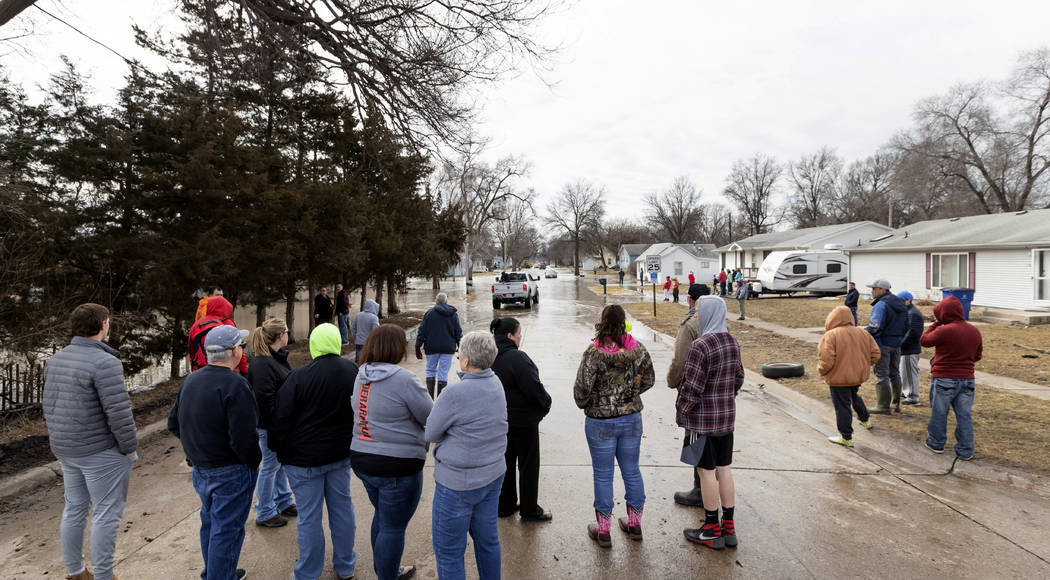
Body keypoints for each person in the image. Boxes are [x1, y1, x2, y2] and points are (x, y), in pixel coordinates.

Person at [43, 303, 138, 580]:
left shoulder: (56, 359)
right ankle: (104, 577)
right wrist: (130, 448)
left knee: (74, 508)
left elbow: (49, 405)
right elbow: (118, 413)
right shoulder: (106, 362)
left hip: (66, 448)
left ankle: (76, 572)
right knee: (106, 514)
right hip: (99, 451)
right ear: (104, 325)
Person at [168, 324, 259, 580]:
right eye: (240, 346)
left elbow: (174, 423)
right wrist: (253, 463)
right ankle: (220, 575)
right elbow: (244, 437)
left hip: (202, 469)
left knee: (211, 524)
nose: (242, 350)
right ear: (232, 352)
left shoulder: (192, 380)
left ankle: (218, 572)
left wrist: (196, 449)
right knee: (226, 531)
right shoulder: (236, 385)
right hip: (230, 471)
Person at [270, 323, 359, 580]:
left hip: (303, 460)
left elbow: (281, 419)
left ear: (314, 344)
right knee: (343, 509)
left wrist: (279, 448)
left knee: (309, 517)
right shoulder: (352, 370)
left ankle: (308, 573)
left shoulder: (299, 377)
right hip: (341, 455)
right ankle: (345, 566)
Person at [352, 324, 433, 580]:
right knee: (394, 526)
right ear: (397, 347)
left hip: (363, 458)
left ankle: (385, 569)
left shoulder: (361, 374)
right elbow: (431, 416)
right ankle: (387, 575)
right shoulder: (404, 379)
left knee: (385, 518)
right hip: (397, 465)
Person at [425, 332, 508, 580]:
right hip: (492, 476)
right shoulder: (496, 382)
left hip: (457, 484)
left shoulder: (455, 393)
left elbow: (431, 431)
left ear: (466, 360)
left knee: (449, 552)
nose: (458, 356)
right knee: (488, 541)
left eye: (460, 353)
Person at [573, 304, 656, 547]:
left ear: (603, 322)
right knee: (632, 470)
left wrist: (592, 402)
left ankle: (604, 529)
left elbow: (582, 389)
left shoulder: (593, 353)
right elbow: (649, 379)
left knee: (603, 474)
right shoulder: (637, 349)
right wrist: (629, 394)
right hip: (631, 418)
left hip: (600, 422)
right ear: (624, 322)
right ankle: (634, 523)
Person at [679, 297, 744, 550]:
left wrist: (682, 412)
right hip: (727, 419)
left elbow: (691, 389)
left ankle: (710, 529)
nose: (696, 316)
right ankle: (729, 527)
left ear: (707, 314)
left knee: (706, 472)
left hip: (703, 421)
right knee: (724, 469)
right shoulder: (732, 342)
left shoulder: (700, 346)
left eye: (698, 312)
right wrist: (726, 395)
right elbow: (739, 377)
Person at [490, 317, 553, 522]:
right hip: (523, 423)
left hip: (498, 422)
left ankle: (505, 505)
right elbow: (534, 387)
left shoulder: (487, 357)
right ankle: (529, 509)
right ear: (509, 336)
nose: (520, 337)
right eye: (518, 334)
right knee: (528, 466)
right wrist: (546, 403)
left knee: (505, 463)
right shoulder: (517, 358)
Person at [246, 318, 297, 528]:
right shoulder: (262, 364)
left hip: (280, 424)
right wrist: (278, 424)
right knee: (269, 466)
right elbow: (264, 400)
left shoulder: (276, 358)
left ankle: (283, 500)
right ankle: (265, 510)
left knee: (279, 463)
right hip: (270, 426)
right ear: (279, 336)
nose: (288, 333)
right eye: (286, 330)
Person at [922, 296, 983, 460]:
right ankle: (965, 450)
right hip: (967, 379)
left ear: (945, 313)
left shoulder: (944, 330)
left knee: (940, 412)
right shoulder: (974, 330)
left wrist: (936, 324)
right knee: (964, 415)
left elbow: (924, 340)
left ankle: (936, 443)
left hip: (944, 378)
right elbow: (977, 355)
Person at [667, 284, 710, 507]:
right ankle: (711, 489)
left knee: (696, 444)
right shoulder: (718, 323)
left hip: (695, 393)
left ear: (691, 300)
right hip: (718, 396)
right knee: (713, 447)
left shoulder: (690, 325)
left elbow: (680, 360)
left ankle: (700, 490)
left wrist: (672, 382)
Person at [818, 306, 880, 448]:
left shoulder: (830, 335)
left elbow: (826, 360)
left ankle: (846, 437)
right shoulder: (863, 333)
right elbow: (876, 354)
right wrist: (863, 365)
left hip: (838, 379)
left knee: (842, 406)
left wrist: (822, 371)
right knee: (854, 396)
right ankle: (865, 420)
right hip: (856, 377)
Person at [864, 279, 908, 414]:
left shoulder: (881, 304)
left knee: (882, 374)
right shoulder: (900, 303)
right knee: (894, 373)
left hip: (882, 343)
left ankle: (883, 406)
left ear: (882, 290)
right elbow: (907, 324)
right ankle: (895, 404)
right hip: (897, 344)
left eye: (874, 288)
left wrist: (862, 333)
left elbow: (875, 326)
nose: (872, 291)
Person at [414, 293, 463, 398]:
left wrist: (418, 346)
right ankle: (440, 399)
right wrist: (461, 347)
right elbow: (458, 332)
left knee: (430, 370)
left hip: (432, 348)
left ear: (436, 301)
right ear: (446, 301)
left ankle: (430, 399)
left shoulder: (429, 313)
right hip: (448, 348)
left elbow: (422, 331)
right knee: (443, 373)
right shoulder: (453, 314)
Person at [189, 296, 249, 374]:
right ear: (226, 308)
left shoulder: (196, 325)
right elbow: (237, 348)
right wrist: (244, 370)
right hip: (224, 370)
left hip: (200, 370)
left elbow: (192, 350)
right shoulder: (227, 323)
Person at [898, 291, 925, 406]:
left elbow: (913, 333)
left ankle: (913, 397)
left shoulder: (913, 313)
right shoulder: (908, 311)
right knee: (904, 372)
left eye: (901, 301)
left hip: (910, 349)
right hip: (906, 349)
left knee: (909, 373)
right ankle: (906, 392)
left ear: (908, 300)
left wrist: (900, 344)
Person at [351, 299, 381, 363]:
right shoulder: (374, 317)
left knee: (359, 362)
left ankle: (358, 372)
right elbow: (376, 331)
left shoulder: (359, 315)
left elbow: (353, 328)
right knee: (368, 362)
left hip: (359, 342)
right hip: (369, 343)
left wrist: (355, 338)